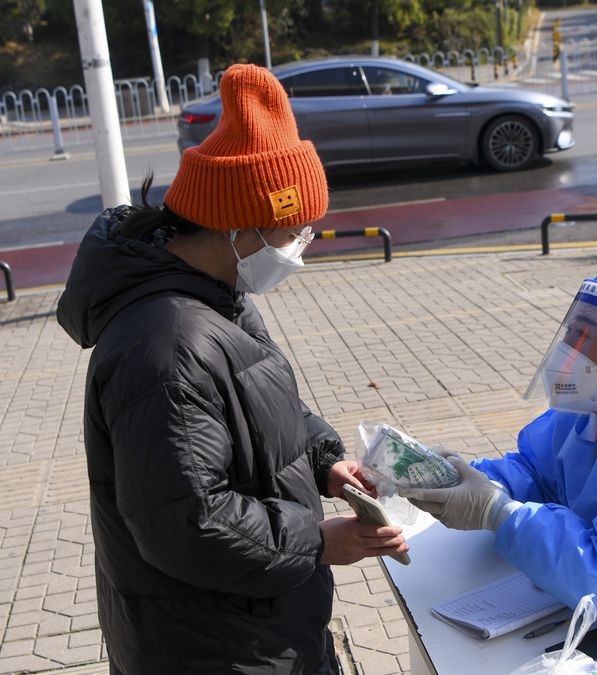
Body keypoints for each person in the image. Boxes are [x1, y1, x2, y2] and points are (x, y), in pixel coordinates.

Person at [56, 64, 409, 674]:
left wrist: (325, 462)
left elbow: (258, 406)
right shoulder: (165, 345)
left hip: (256, 624)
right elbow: (188, 521)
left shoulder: (215, 293)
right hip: (213, 647)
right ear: (237, 227)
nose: (303, 244)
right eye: (295, 230)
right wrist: (318, 540)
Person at [400, 269, 597, 625]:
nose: (567, 350)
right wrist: (465, 478)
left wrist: (497, 512)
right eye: (568, 331)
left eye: (583, 335)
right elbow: (538, 471)